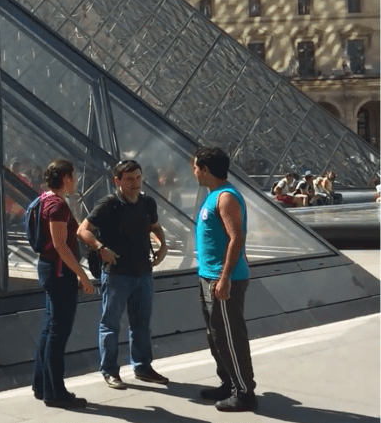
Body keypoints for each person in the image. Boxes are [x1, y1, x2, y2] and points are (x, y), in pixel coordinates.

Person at [77, 160, 169, 390]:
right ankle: (110, 371)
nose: (135, 183)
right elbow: (82, 230)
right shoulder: (109, 204)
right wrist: (100, 249)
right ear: (116, 181)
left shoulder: (147, 202)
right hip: (117, 274)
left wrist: (163, 245)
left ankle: (142, 367)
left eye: (138, 178)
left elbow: (155, 227)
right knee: (110, 325)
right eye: (129, 179)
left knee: (141, 325)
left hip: (143, 273)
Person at [191, 147, 257, 412]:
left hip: (221, 279)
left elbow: (236, 238)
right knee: (216, 335)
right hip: (209, 276)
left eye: (195, 167)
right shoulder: (214, 196)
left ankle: (244, 392)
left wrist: (226, 277)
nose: (194, 171)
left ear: (205, 169)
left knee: (230, 336)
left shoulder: (225, 197)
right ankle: (228, 382)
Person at [31, 159, 95, 409]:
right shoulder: (57, 205)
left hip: (50, 270)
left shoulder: (44, 199)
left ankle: (41, 385)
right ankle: (55, 391)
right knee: (58, 333)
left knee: (49, 329)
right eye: (74, 176)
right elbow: (61, 245)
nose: (76, 180)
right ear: (66, 177)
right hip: (59, 273)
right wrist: (82, 275)